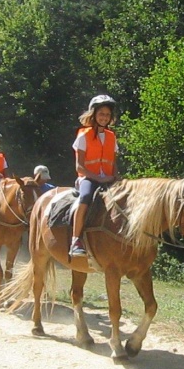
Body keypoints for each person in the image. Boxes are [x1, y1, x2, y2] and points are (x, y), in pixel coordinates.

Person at [69, 94, 119, 257]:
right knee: (85, 197)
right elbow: (79, 166)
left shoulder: (112, 137)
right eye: (101, 114)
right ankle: (76, 239)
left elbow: (114, 163)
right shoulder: (84, 135)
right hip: (88, 178)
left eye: (107, 114)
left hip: (108, 179)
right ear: (94, 114)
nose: (104, 117)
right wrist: (99, 178)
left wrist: (117, 178)